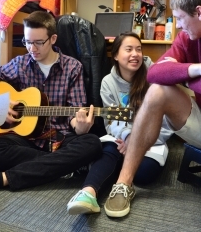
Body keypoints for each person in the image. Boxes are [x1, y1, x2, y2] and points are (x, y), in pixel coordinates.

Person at [104, 0, 201, 231]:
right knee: (158, 90)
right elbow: (155, 73)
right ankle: (124, 183)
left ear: (199, 12)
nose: (178, 25)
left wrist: (186, 78)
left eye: (180, 18)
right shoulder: (188, 39)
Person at [0, 10, 102, 191]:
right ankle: (63, 166)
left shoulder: (72, 67)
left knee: (92, 143)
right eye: (28, 42)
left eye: (38, 42)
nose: (32, 49)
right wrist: (0, 102)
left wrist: (81, 126)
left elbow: (75, 115)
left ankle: (4, 178)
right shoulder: (20, 64)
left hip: (61, 139)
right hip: (26, 141)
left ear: (53, 39)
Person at [66, 32, 173, 215]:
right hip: (122, 137)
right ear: (115, 55)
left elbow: (167, 122)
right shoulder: (108, 82)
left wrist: (138, 141)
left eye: (138, 49)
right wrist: (128, 136)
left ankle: (114, 172)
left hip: (151, 140)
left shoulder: (154, 76)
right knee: (108, 150)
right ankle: (87, 193)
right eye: (129, 49)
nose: (135, 54)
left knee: (144, 173)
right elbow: (112, 120)